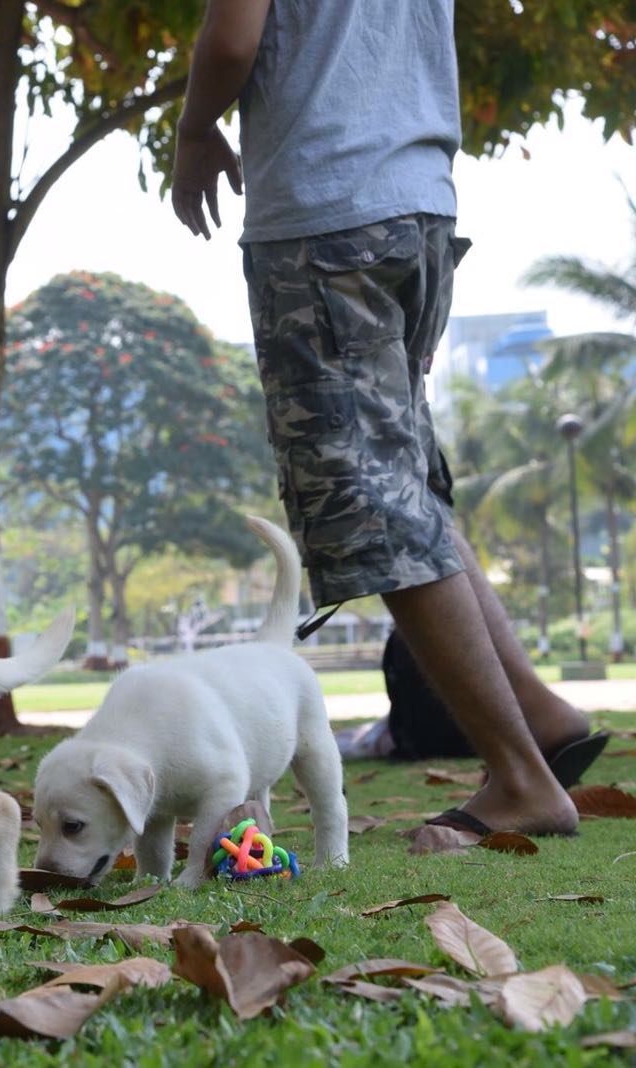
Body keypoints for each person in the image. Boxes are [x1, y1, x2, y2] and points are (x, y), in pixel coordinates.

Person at [168, 0, 607, 837]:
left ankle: (520, 781)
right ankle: (542, 718)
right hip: (419, 206)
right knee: (401, 486)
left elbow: (233, 36)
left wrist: (195, 131)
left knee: (368, 507)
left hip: (327, 212)